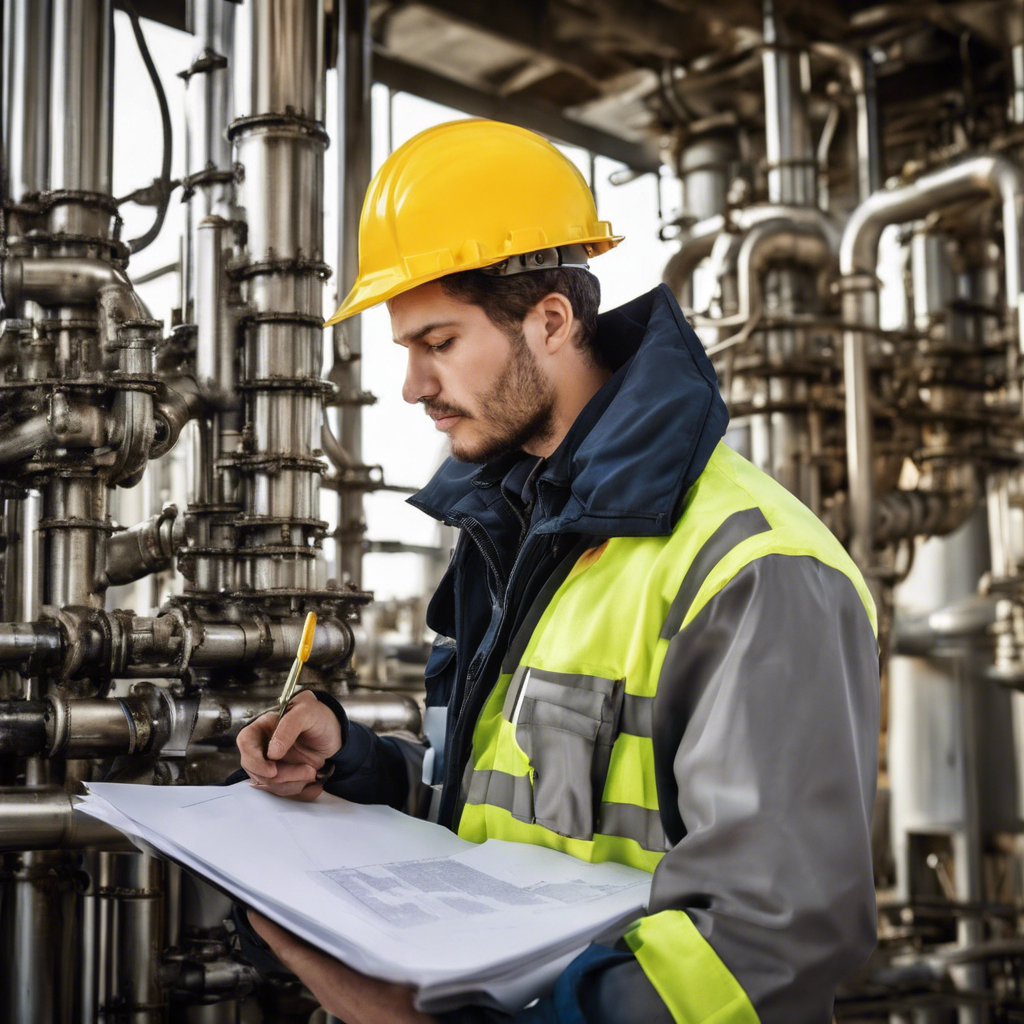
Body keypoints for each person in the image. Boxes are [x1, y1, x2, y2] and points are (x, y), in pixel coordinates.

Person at [235, 119, 880, 1024]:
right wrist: (361, 768)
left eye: (441, 342)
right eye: (407, 350)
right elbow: (514, 813)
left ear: (549, 321)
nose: (413, 386)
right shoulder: (511, 529)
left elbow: (768, 941)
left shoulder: (754, 567)